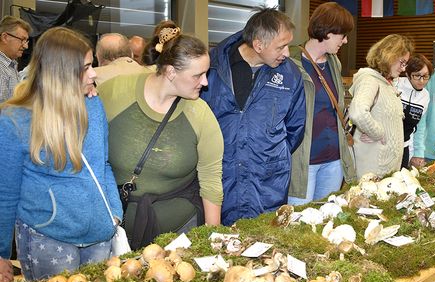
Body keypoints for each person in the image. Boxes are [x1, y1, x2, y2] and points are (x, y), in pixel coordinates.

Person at [0, 27, 123, 282]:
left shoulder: (93, 104)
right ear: (61, 72)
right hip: (48, 239)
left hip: (100, 235)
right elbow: (6, 193)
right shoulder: (15, 120)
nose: (94, 73)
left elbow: (103, 164)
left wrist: (114, 210)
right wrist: (2, 253)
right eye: (86, 67)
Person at [98, 28, 223, 250]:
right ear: (171, 72)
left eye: (206, 73)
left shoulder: (201, 114)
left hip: (180, 233)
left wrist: (212, 240)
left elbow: (211, 182)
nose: (205, 82)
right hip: (114, 230)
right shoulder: (114, 93)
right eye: (197, 75)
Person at [201, 7, 305, 226]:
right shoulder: (211, 68)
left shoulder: (290, 75)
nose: (287, 53)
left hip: (268, 185)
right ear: (258, 45)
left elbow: (295, 129)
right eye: (281, 46)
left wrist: (268, 154)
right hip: (221, 182)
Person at [287, 2, 356, 205]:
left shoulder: (334, 63)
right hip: (303, 161)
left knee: (326, 217)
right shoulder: (291, 62)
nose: (345, 41)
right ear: (327, 31)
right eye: (342, 35)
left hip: (333, 159)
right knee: (300, 224)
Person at [348, 34, 413, 179]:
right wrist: (377, 133)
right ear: (389, 56)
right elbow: (358, 112)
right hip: (374, 166)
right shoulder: (370, 80)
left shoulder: (386, 82)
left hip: (385, 166)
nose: (403, 69)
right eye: (402, 62)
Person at [396, 53, 433, 168]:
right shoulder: (395, 84)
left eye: (426, 76)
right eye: (417, 76)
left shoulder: (425, 96)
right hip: (385, 146)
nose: (422, 81)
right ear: (407, 74)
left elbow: (419, 128)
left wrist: (418, 153)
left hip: (405, 146)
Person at [0, 16, 31, 103]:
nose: (26, 46)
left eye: (26, 41)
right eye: (22, 40)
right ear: (5, 37)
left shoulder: (11, 65)